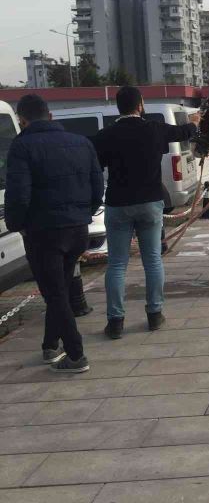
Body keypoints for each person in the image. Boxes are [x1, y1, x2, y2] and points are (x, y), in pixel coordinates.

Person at [5, 94, 104, 373]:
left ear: (22, 121)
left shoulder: (21, 146)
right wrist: (83, 214)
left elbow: (18, 195)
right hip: (77, 230)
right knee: (57, 288)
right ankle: (50, 346)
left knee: (55, 295)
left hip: (43, 232)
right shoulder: (81, 143)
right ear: (51, 116)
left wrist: (17, 225)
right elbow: (98, 187)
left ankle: (76, 355)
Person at [91, 86, 199, 339]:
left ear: (118, 107)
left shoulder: (105, 135)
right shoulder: (155, 129)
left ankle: (115, 321)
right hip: (150, 202)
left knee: (117, 264)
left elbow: (95, 162)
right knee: (152, 260)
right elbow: (184, 132)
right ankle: (154, 314)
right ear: (140, 105)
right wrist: (194, 122)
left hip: (118, 204)